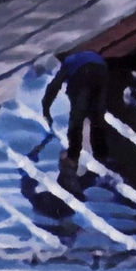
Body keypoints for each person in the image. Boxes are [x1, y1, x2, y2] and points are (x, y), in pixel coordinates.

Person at [42, 49, 117, 180]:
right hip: (101, 70)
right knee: (97, 117)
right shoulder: (81, 56)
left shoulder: (68, 62)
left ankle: (72, 157)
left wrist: (46, 107)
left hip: (84, 73)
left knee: (77, 119)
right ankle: (102, 155)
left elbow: (55, 85)